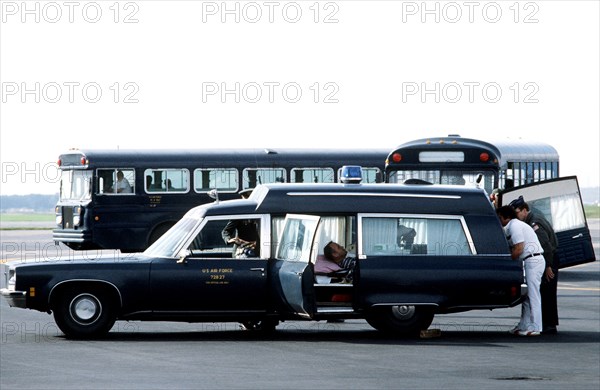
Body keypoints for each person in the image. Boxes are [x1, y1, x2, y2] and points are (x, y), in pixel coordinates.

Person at [509, 196, 559, 334]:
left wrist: (548, 266)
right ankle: (537, 323)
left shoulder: (534, 222)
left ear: (525, 210)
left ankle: (548, 325)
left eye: (517, 212)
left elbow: (546, 245)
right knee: (538, 293)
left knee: (546, 293)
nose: (516, 216)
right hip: (546, 257)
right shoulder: (530, 220)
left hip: (548, 257)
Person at [496, 206, 545, 336]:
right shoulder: (513, 226)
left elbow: (519, 248)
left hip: (533, 260)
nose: (499, 220)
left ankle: (536, 326)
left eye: (500, 217)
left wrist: (507, 262)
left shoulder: (514, 226)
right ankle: (524, 324)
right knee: (527, 296)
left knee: (533, 295)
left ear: (506, 217)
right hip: (529, 260)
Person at [221, 189, 259, 258]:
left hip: (256, 249)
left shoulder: (260, 213)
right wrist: (229, 240)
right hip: (240, 250)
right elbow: (226, 231)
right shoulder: (239, 214)